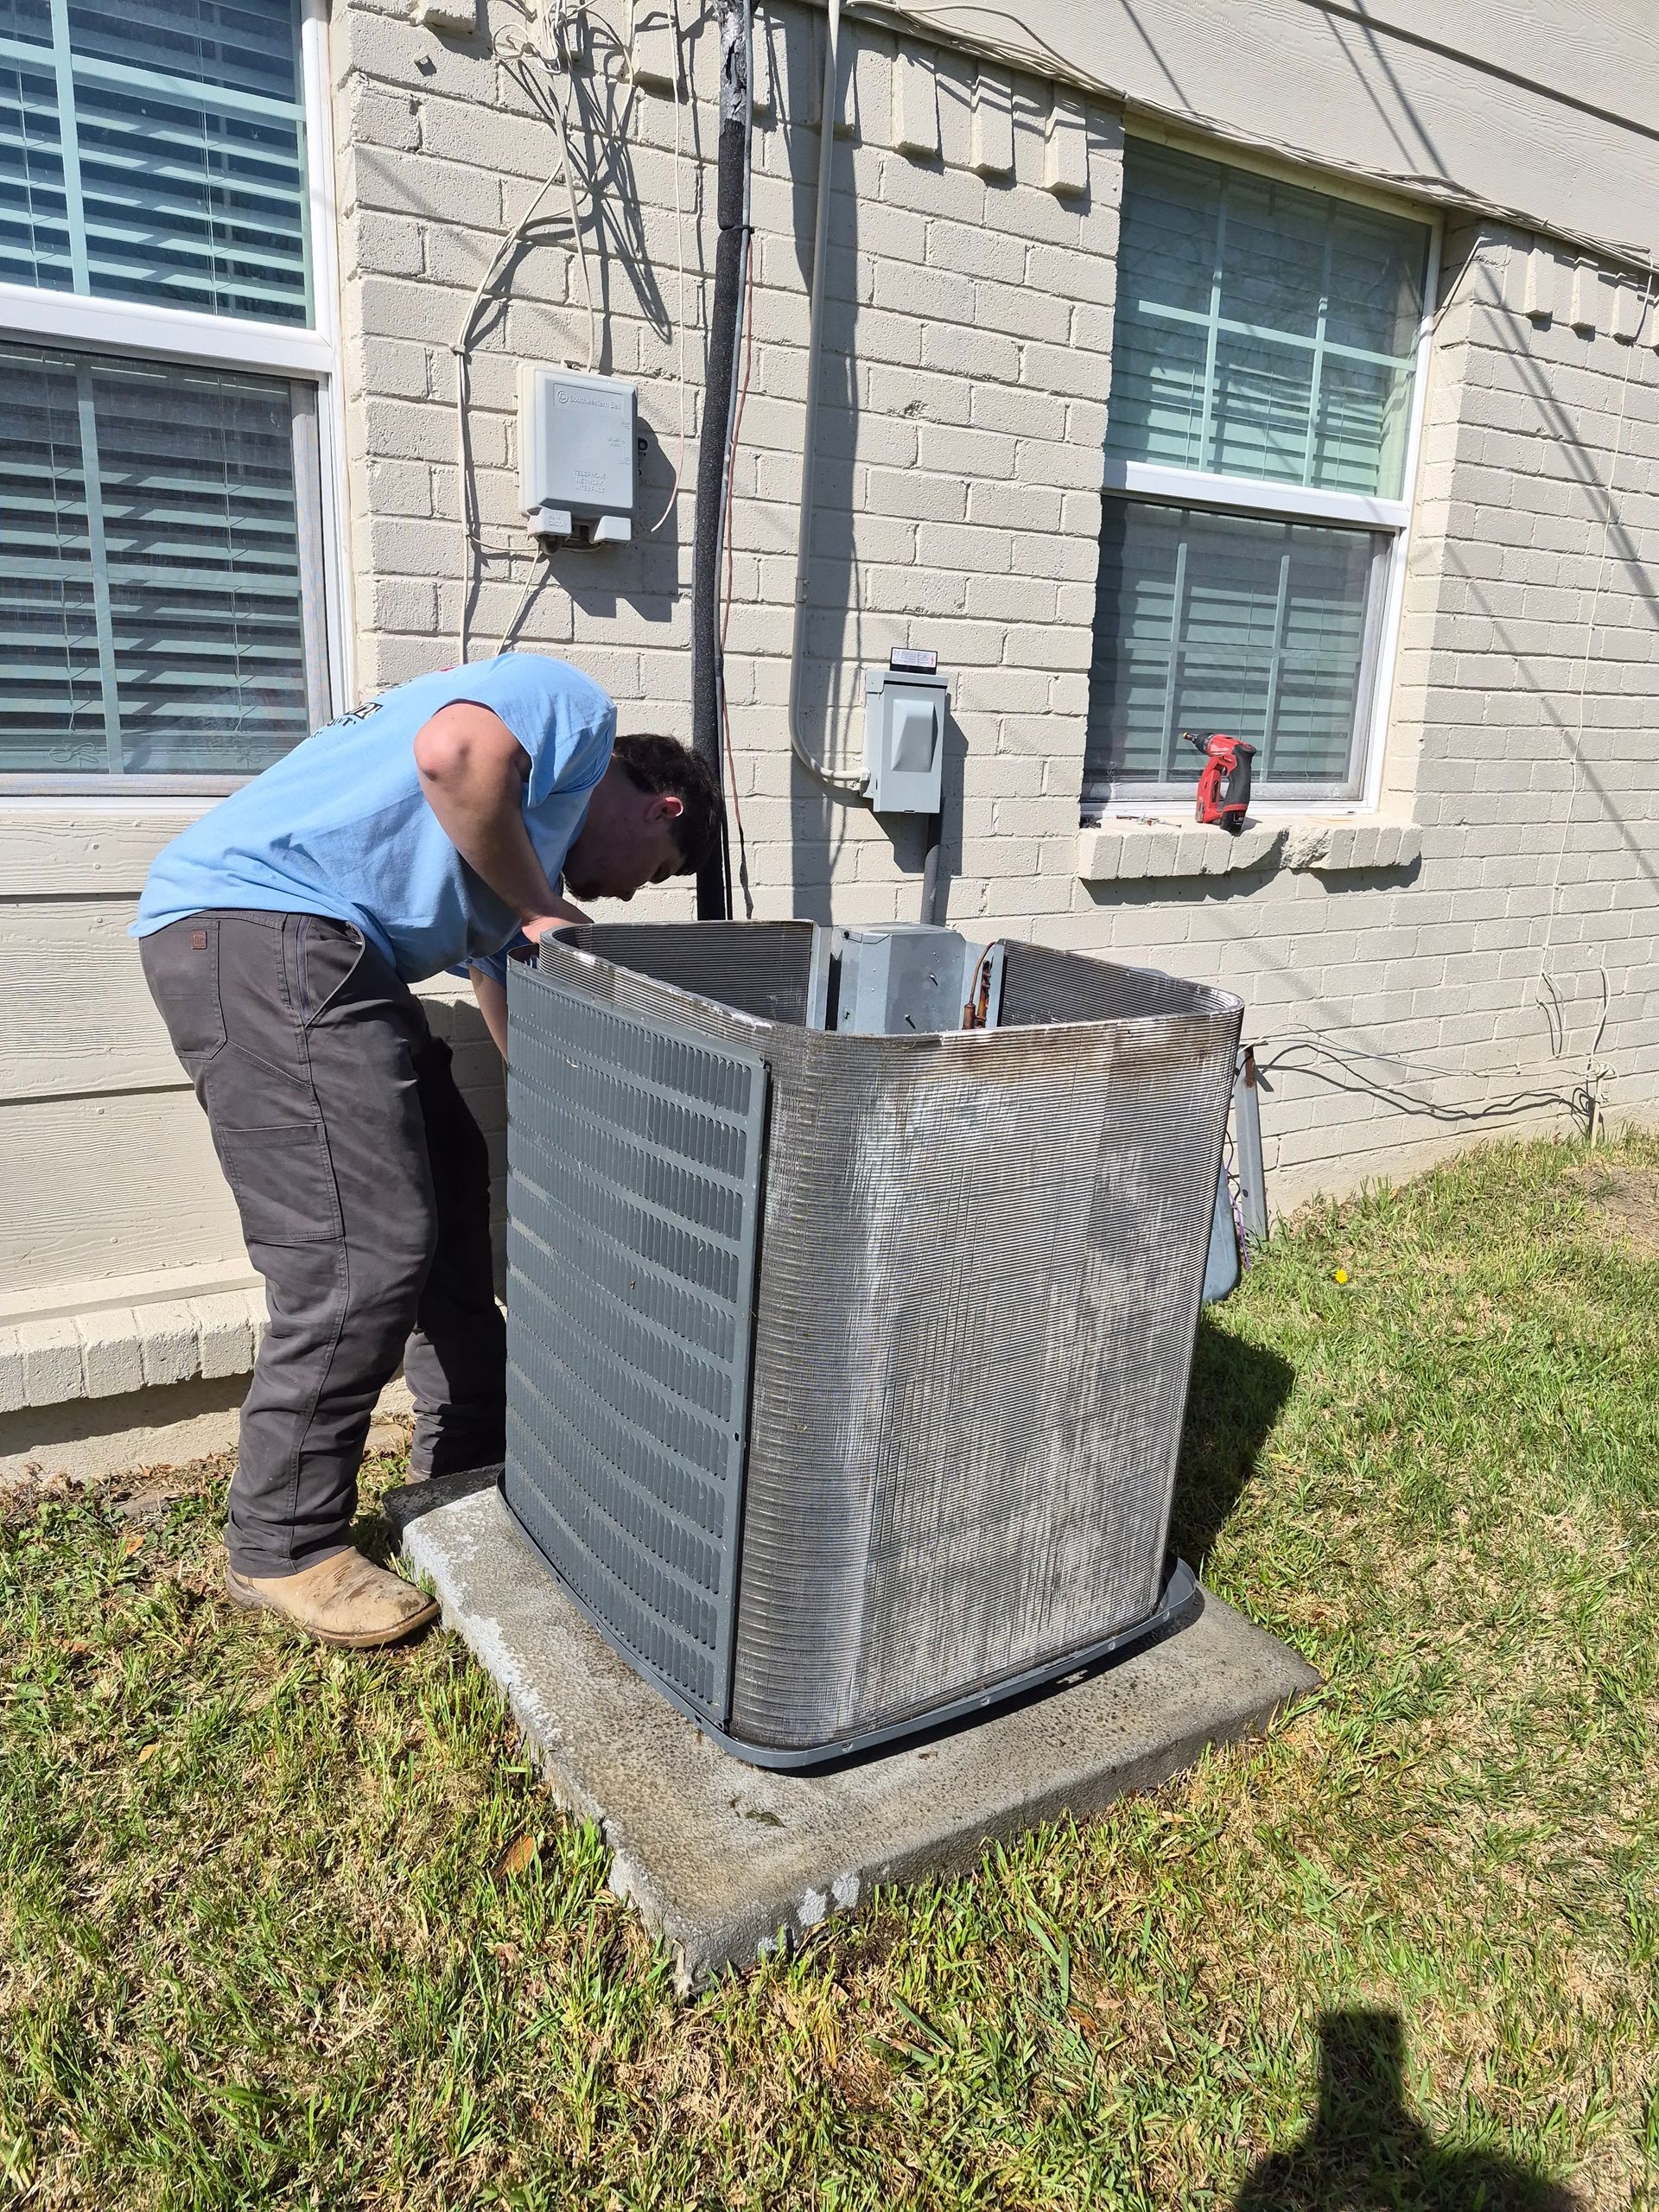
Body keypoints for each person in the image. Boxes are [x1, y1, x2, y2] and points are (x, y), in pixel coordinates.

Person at [133, 654, 721, 1649]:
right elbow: (453, 755)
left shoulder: (510, 855)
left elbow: (502, 992)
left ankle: (465, 1455)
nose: (623, 897)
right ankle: (283, 1540)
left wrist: (565, 1107)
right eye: (652, 879)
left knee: (450, 1182)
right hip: (265, 927)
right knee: (361, 1245)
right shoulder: (572, 713)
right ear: (663, 807)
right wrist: (543, 902)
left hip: (337, 952)